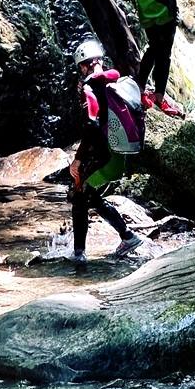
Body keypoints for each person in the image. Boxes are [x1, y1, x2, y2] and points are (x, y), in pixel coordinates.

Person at [68, 38, 143, 264]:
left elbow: (91, 125)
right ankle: (128, 237)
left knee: (79, 196)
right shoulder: (117, 82)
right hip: (120, 154)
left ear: (83, 65)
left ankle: (79, 254)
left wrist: (78, 160)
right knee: (89, 195)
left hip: (104, 154)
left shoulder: (90, 87)